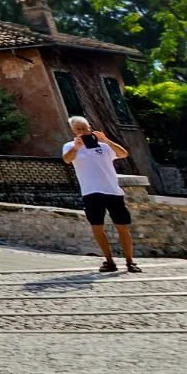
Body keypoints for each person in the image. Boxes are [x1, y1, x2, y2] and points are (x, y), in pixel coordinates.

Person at [64, 116, 140, 273]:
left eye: (85, 128)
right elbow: (67, 159)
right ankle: (109, 261)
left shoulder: (104, 147)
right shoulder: (70, 146)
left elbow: (123, 154)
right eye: (78, 129)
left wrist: (106, 140)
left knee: (122, 227)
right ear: (73, 131)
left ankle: (130, 261)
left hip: (112, 191)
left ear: (90, 128)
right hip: (91, 192)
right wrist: (77, 147)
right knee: (97, 227)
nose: (83, 131)